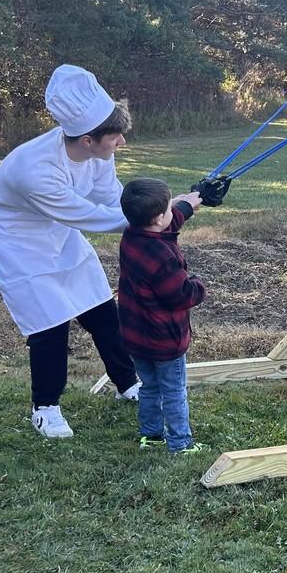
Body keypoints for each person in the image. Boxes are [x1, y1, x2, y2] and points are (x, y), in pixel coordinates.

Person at [0, 64, 142, 439]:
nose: (121, 143)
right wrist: (154, 218)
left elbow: (110, 198)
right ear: (87, 140)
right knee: (49, 322)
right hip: (11, 239)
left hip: (53, 228)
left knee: (100, 308)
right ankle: (45, 408)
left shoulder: (98, 154)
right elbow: (90, 216)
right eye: (115, 136)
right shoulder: (35, 170)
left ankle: (128, 383)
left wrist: (157, 211)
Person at [118, 178, 207, 454]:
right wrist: (198, 286)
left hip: (137, 337)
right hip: (165, 340)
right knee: (174, 391)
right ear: (158, 218)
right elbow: (180, 295)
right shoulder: (162, 258)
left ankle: (151, 435)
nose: (172, 212)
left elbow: (170, 221)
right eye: (169, 207)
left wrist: (189, 203)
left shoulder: (132, 235)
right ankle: (180, 443)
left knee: (149, 386)